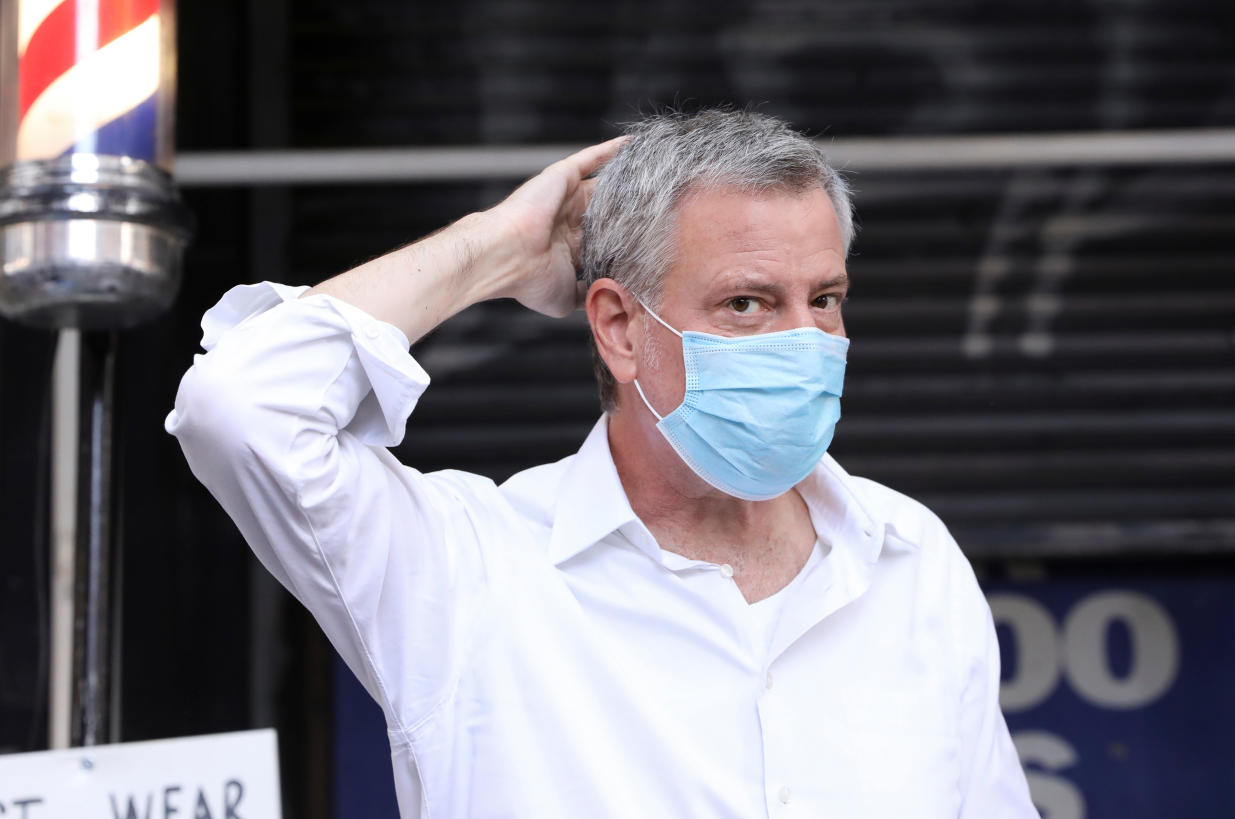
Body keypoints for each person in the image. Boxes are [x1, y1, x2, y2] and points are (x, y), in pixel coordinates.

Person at [167, 109, 1037, 818]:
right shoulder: (474, 570)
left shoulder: (909, 557)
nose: (804, 343)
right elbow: (241, 407)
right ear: (620, 327)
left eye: (827, 300)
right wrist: (496, 247)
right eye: (746, 304)